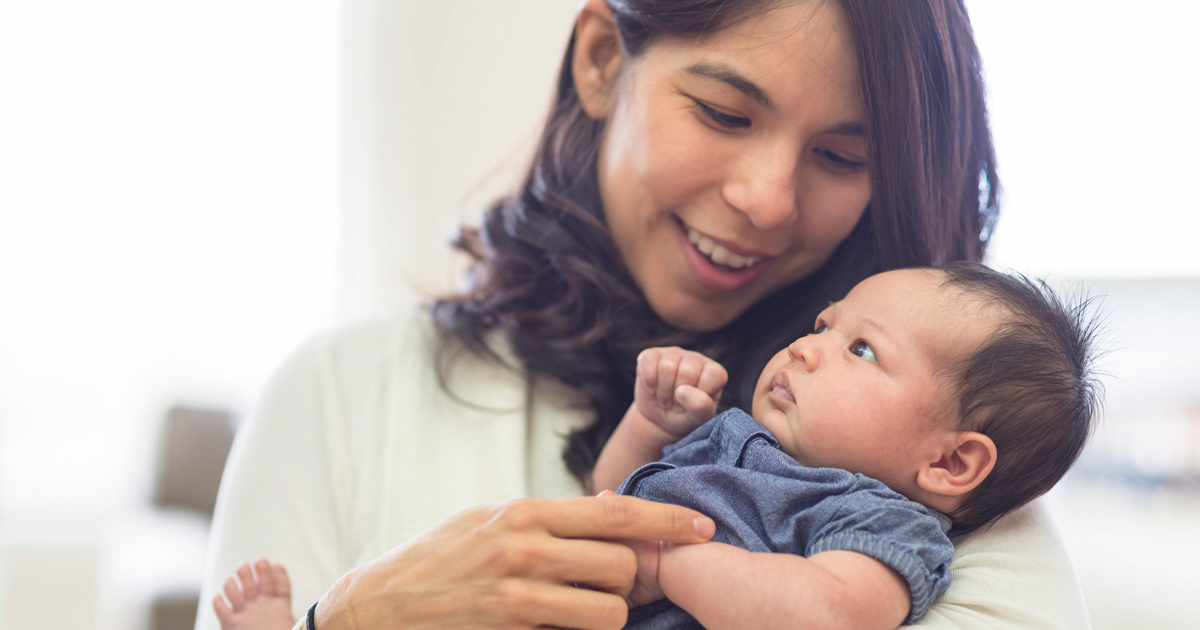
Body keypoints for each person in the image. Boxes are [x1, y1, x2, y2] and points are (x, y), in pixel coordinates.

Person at [197, 1, 1094, 629]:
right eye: (723, 113)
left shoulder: (931, 470)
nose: (767, 200)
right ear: (598, 61)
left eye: (840, 155)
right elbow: (611, 502)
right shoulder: (343, 391)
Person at [209, 264, 1100, 630]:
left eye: (862, 350)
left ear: (950, 463)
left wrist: (671, 564)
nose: (808, 345)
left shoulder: (882, 524)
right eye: (827, 325)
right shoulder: (736, 438)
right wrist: (651, 426)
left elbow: (825, 614)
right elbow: (610, 491)